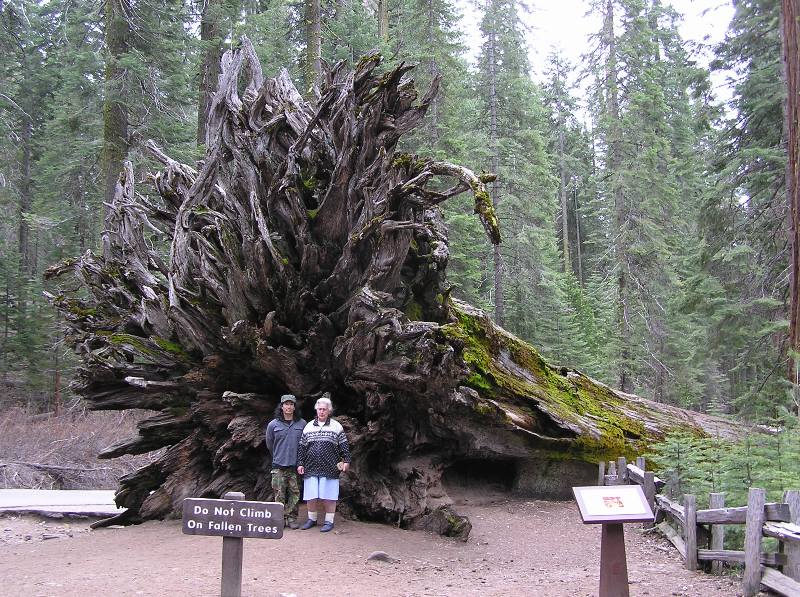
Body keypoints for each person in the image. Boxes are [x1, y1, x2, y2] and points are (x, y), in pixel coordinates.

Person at [297, 393, 351, 532]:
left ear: (329, 411)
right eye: (319, 409)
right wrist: (300, 463)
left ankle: (329, 521)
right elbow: (302, 447)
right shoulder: (308, 426)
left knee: (329, 495)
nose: (321, 411)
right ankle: (312, 519)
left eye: (324, 409)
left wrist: (347, 461)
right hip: (311, 466)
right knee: (311, 495)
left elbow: (344, 445)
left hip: (330, 466)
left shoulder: (336, 426)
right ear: (316, 410)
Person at [265, 394, 306, 529]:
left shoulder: (302, 424)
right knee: (279, 494)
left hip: (295, 466)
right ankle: (280, 519)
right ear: (281, 407)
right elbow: (270, 444)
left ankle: (292, 518)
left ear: (294, 407)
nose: (288, 407)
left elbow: (305, 444)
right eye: (286, 404)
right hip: (278, 466)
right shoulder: (273, 425)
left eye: (291, 404)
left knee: (295, 494)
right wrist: (278, 456)